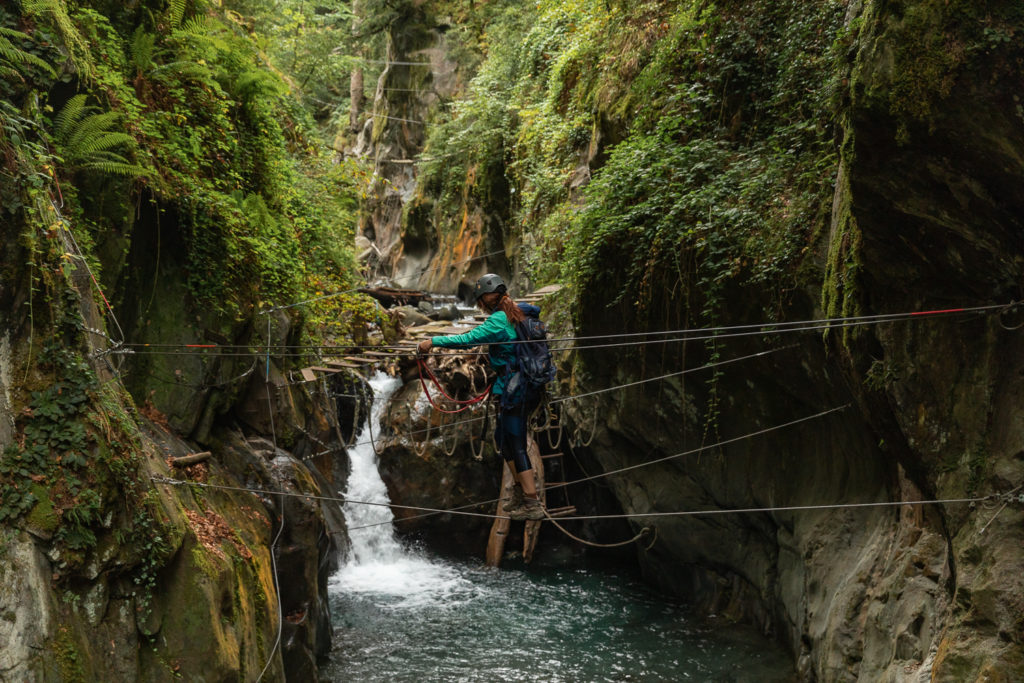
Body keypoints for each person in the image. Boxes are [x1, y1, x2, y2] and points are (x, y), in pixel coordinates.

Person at [417, 274, 545, 521]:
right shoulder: (517, 311)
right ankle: (520, 492)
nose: (480, 304)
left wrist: (432, 341)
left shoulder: (499, 320)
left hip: (516, 387)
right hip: (516, 384)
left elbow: (467, 340)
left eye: (481, 299)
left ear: (489, 296)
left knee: (516, 443)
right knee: (502, 438)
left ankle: (532, 501)